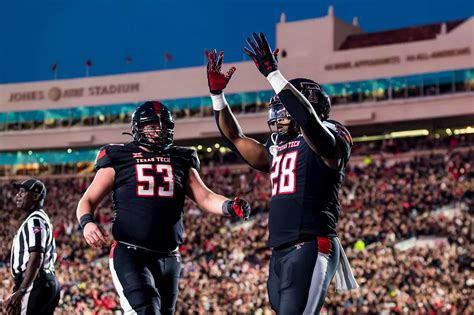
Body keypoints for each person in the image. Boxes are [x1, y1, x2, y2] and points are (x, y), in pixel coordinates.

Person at [206, 33, 358, 314]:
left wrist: (274, 74)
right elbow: (236, 138)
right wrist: (218, 98)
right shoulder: (277, 145)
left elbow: (311, 125)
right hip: (280, 249)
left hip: (312, 242)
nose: (278, 114)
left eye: (285, 108)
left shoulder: (332, 134)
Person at [76, 101, 251, 315]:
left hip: (170, 257)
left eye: (163, 126)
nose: (158, 130)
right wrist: (87, 223)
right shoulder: (118, 156)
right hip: (132, 253)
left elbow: (204, 196)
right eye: (151, 125)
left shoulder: (181, 157)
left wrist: (228, 206)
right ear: (137, 128)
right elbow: (88, 200)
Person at [5, 178, 60, 315]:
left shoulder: (35, 220)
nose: (18, 195)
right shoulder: (39, 218)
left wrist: (22, 290)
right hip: (42, 281)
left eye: (23, 192)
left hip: (35, 283)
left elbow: (36, 258)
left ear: (35, 196)